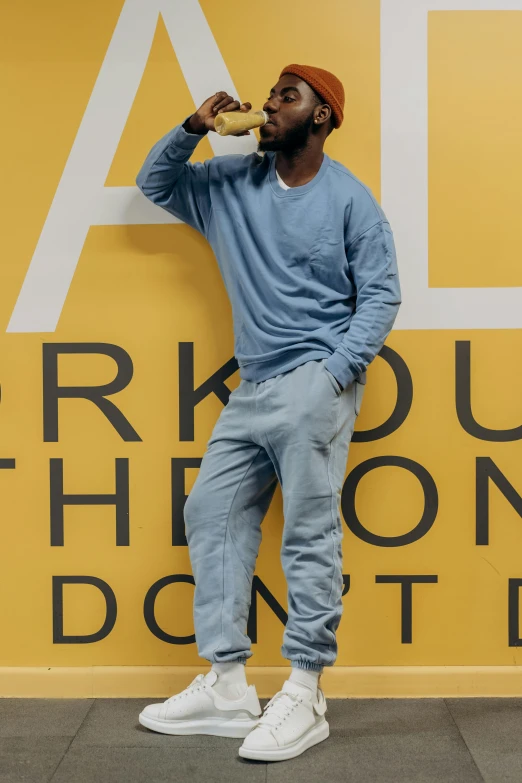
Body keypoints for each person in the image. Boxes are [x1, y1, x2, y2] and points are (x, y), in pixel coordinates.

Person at [135, 64, 401, 762]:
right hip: (252, 387)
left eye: (289, 97)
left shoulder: (350, 200)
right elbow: (155, 183)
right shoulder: (231, 185)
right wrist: (192, 130)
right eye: (272, 94)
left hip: (315, 383)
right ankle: (227, 683)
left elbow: (380, 295)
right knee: (211, 510)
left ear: (321, 118)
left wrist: (333, 376)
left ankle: (307, 689)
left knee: (309, 533)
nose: (269, 105)